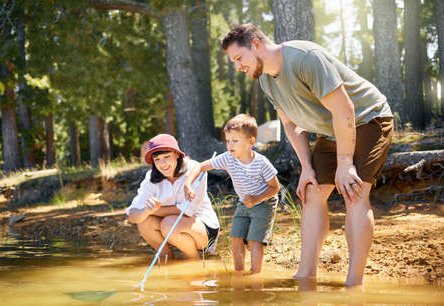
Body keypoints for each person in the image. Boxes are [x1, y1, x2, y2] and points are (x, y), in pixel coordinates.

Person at [221, 24, 393, 286]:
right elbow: (291, 125)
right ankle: (305, 276)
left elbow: (345, 109)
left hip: (368, 118)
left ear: (256, 44)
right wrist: (307, 168)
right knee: (312, 191)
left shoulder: (305, 58)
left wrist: (345, 164)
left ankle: (354, 284)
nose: (237, 67)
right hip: (332, 130)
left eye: (238, 58)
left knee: (354, 192)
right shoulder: (267, 80)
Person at [185, 114, 280, 275]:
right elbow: (200, 167)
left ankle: (255, 274)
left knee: (254, 240)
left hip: (264, 202)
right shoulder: (228, 158)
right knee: (235, 236)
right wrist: (188, 184)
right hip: (244, 202)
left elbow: (275, 188)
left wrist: (257, 198)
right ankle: (239, 273)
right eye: (228, 140)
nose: (230, 145)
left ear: (251, 142)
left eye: (235, 141)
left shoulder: (261, 163)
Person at [126, 134, 220, 260]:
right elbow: (132, 215)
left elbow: (186, 211)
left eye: (167, 157)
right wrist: (145, 211)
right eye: (157, 159)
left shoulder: (194, 169)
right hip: (171, 228)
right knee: (144, 220)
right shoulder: (150, 177)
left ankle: (194, 260)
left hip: (203, 229)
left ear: (177, 154)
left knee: (169, 223)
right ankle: (167, 258)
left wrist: (155, 211)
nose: (162, 163)